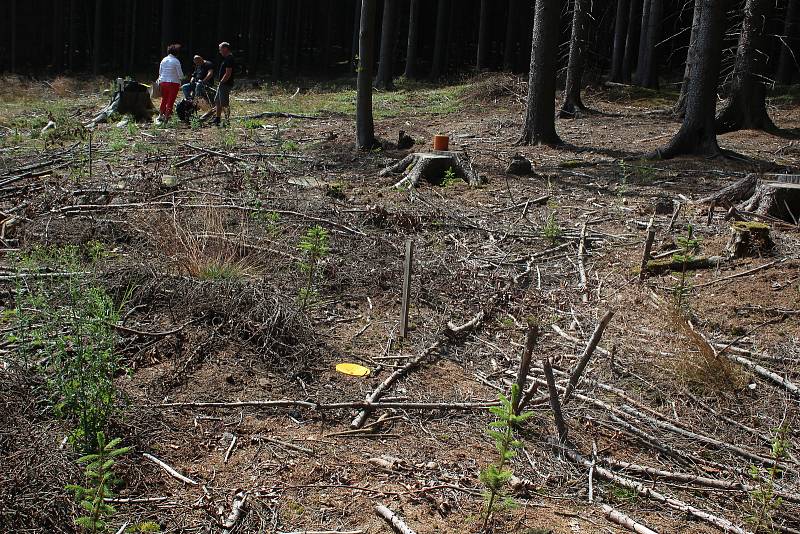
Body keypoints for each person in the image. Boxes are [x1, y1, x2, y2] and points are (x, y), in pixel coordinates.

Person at [157, 44, 184, 122]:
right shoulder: (176, 61)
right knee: (171, 100)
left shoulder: (163, 60)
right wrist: (182, 79)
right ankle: (166, 117)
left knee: (164, 99)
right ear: (177, 53)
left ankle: (160, 115)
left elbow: (160, 72)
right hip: (173, 83)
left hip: (163, 82)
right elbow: (180, 74)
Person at [212, 42, 235, 126]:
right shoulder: (226, 58)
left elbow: (228, 73)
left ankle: (227, 120)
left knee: (224, 103)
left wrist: (222, 82)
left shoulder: (229, 58)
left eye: (220, 49)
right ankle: (217, 119)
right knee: (217, 101)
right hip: (222, 83)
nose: (220, 51)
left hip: (225, 83)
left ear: (225, 49)